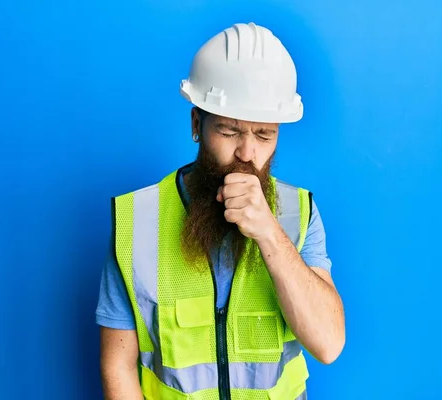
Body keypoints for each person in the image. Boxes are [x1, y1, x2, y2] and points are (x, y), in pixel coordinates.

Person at [95, 22, 345, 400]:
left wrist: (268, 233)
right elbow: (118, 365)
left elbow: (328, 344)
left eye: (264, 135)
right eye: (230, 132)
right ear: (197, 123)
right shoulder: (137, 220)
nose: (247, 154)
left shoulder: (298, 213)